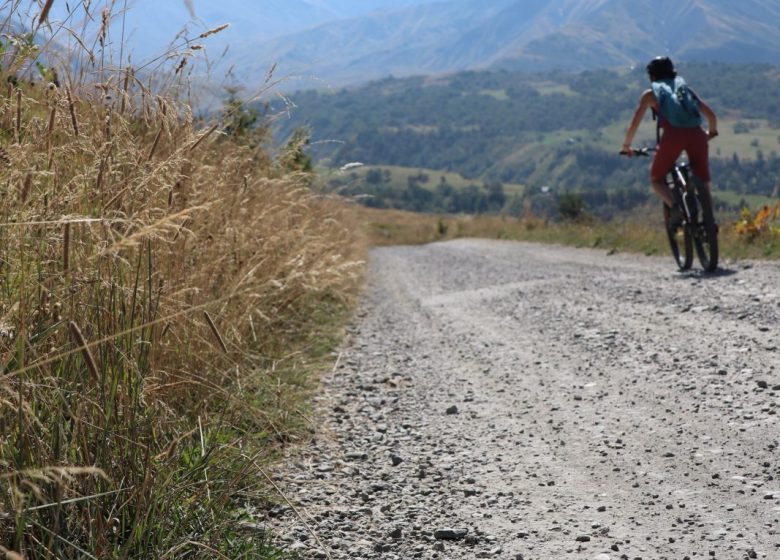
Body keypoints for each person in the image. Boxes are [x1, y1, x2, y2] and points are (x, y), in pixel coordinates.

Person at [621, 56, 718, 226]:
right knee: (703, 180)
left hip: (673, 136)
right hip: (697, 134)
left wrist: (626, 146)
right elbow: (710, 115)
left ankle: (675, 207)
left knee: (657, 179)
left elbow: (634, 124)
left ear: (652, 76)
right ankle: (710, 221)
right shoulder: (685, 89)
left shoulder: (651, 94)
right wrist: (711, 132)